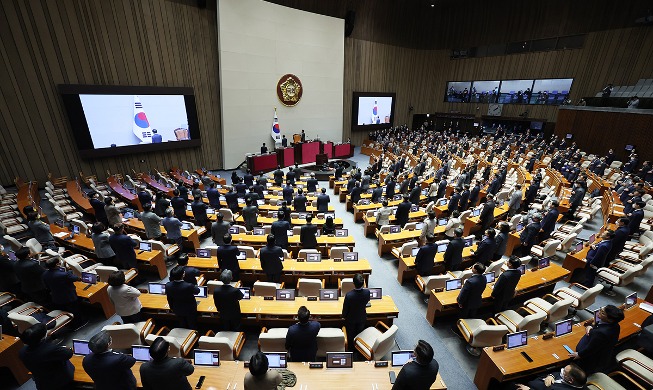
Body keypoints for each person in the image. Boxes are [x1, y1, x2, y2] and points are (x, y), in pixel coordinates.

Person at [19, 323, 75, 390]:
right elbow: (68, 354)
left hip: (41, 383)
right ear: (42, 337)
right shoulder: (50, 350)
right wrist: (68, 349)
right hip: (59, 381)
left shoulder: (22, 351)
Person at [571, 304, 624, 374]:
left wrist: (579, 354)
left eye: (602, 313)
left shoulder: (601, 333)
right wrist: (591, 327)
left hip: (589, 361)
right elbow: (600, 326)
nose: (599, 312)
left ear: (610, 319)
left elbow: (591, 348)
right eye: (600, 309)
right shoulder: (615, 325)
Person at [42, 257, 87, 330]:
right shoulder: (63, 275)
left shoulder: (44, 274)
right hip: (69, 296)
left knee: (66, 310)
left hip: (56, 296)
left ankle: (70, 323)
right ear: (57, 264)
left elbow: (47, 286)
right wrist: (68, 271)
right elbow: (77, 278)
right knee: (75, 311)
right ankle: (78, 325)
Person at [342, 273, 370, 349]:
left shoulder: (349, 295)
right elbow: (367, 301)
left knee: (350, 334)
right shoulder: (367, 292)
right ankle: (359, 347)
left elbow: (345, 309)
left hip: (351, 319)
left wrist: (343, 316)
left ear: (353, 283)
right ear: (363, 283)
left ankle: (351, 347)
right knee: (360, 333)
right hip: (362, 317)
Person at [515, 364, 587, 390]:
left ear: (570, 380)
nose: (561, 371)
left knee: (509, 385)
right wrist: (551, 376)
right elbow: (559, 374)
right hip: (540, 378)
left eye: (564, 372)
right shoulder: (576, 381)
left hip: (532, 387)